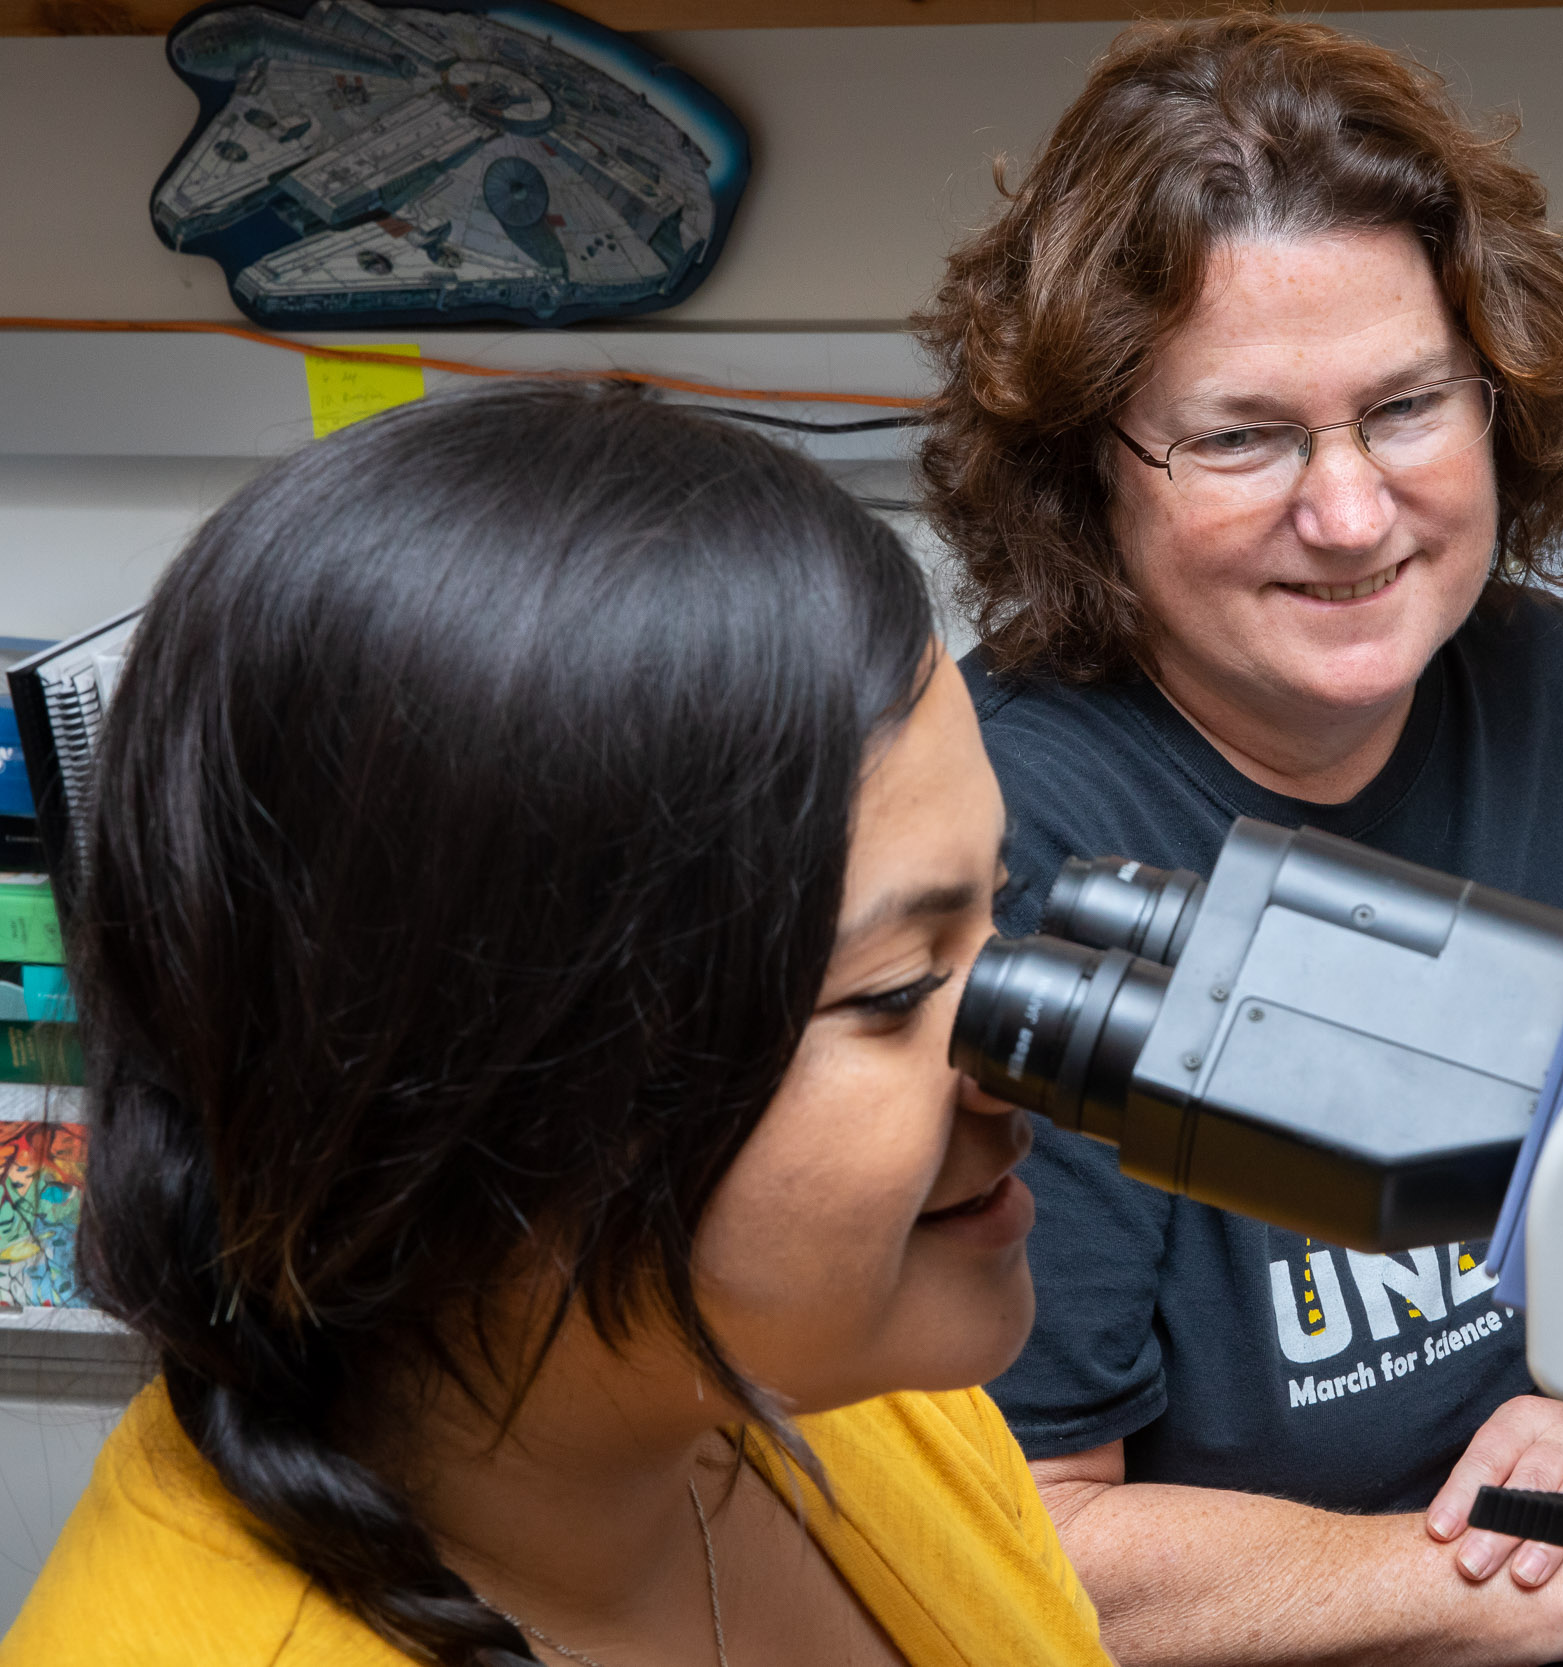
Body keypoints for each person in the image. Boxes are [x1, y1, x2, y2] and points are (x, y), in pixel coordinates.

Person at [2, 383, 1113, 1667]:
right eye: (895, 990)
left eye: (996, 912)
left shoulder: (840, 1390)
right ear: (489, 1093)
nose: (1029, 1074)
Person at [915, 16, 1563, 1665]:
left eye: (1408, 404)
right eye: (1244, 435)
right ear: (1090, 475)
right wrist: (1527, 1574)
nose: (1350, 514)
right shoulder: (1000, 838)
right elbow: (1021, 1544)